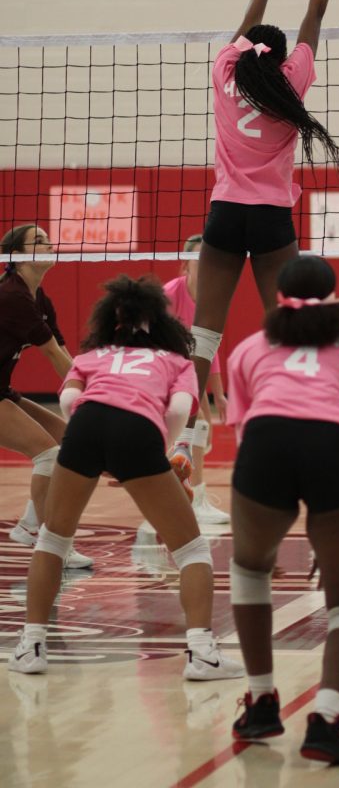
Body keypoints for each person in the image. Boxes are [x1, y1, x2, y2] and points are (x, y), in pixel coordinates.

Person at [178, 0, 339, 466]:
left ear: (249, 49)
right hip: (273, 218)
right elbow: (316, 13)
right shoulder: (292, 83)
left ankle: (183, 435)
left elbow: (242, 30)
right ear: (282, 58)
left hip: (225, 214)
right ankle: (297, 417)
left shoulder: (226, 73)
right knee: (290, 320)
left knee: (205, 331)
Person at [7, 274, 243, 682]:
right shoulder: (177, 361)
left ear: (110, 322)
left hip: (85, 427)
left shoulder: (91, 357)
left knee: (52, 540)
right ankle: (203, 654)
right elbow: (181, 411)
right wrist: (158, 456)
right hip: (139, 431)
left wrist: (96, 450)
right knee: (191, 551)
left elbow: (69, 401)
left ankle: (31, 646)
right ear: (161, 323)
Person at [226, 254, 339, 766]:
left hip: (265, 442)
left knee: (250, 568)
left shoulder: (248, 349)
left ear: (277, 298)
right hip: (333, 446)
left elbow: (244, 428)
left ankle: (261, 703)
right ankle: (326, 722)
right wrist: (334, 533)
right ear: (336, 297)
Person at [0, 225, 92, 570]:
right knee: (49, 455)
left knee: (67, 443)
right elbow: (54, 356)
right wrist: (92, 401)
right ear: (16, 257)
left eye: (47, 238)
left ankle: (28, 525)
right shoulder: (12, 296)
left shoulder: (39, 297)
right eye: (37, 241)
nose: (49, 244)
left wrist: (85, 389)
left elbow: (66, 355)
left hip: (2, 389)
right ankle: (49, 541)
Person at [163, 235, 229, 524]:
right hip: (158, 366)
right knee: (198, 422)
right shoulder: (169, 295)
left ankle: (190, 495)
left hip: (185, 370)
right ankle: (189, 496)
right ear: (185, 264)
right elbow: (158, 345)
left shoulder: (210, 299)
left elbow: (209, 353)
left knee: (200, 424)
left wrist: (219, 395)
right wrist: (200, 398)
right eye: (198, 258)